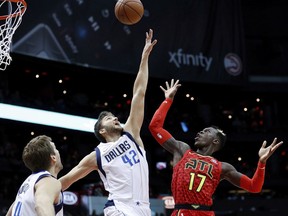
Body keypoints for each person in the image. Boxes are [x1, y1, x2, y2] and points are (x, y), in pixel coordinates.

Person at [148, 79, 284, 216]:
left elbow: (254, 187)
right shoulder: (182, 150)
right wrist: (168, 100)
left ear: (215, 141)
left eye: (206, 131)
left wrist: (262, 162)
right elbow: (155, 127)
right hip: (181, 211)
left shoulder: (223, 167)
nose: (200, 132)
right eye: (201, 131)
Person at [59, 29, 157, 216]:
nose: (115, 118)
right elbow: (68, 179)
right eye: (108, 117)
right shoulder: (97, 155)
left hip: (143, 209)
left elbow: (139, 92)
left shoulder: (132, 133)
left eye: (114, 116)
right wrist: (39, 188)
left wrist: (144, 57)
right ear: (102, 130)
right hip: (118, 208)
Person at [6, 135, 64, 216]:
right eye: (55, 148)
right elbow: (41, 205)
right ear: (53, 157)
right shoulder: (48, 182)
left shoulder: (29, 184)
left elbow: (80, 169)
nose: (58, 151)